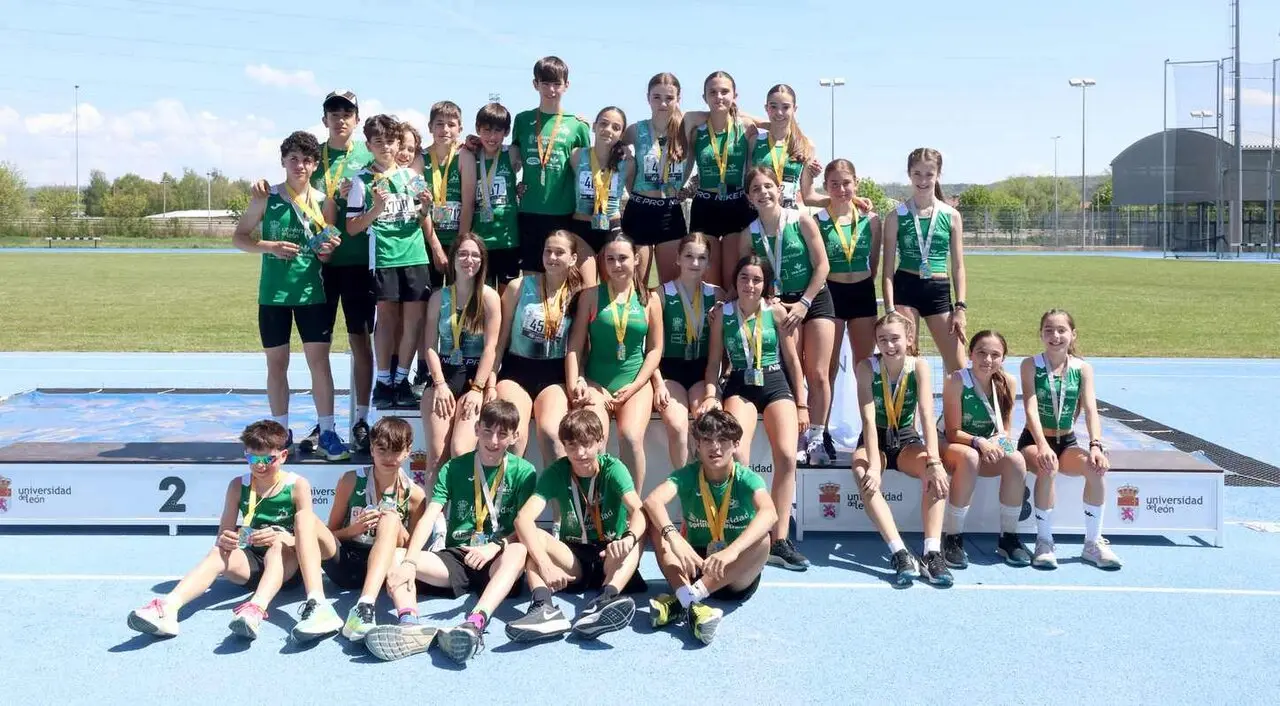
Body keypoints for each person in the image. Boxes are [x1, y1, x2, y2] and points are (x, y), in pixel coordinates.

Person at [126, 421, 342, 641]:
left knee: (278, 546)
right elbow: (223, 532)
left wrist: (286, 537)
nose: (260, 466)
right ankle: (167, 607)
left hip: (287, 565)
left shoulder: (297, 485)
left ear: (284, 455)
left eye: (268, 459)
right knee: (219, 551)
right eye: (252, 459)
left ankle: (256, 609)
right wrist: (229, 538)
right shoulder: (238, 485)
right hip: (251, 564)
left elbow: (307, 537)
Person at [361, 400, 534, 663]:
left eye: (502, 434)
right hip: (458, 556)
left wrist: (496, 545)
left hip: (497, 560)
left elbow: (525, 526)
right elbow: (430, 516)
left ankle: (475, 623)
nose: (493, 441)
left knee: (519, 549)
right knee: (396, 556)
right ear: (476, 429)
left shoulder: (525, 472)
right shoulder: (454, 468)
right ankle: (410, 624)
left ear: (515, 436)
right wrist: (409, 561)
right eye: (487, 431)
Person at [232, 130, 347, 460]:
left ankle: (327, 432)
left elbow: (324, 253)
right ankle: (279, 435)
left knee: (319, 364)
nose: (299, 165)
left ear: (314, 166)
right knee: (277, 364)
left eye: (307, 160)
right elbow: (239, 237)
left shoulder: (323, 200)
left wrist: (328, 250)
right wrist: (269, 247)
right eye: (293, 159)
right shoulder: (266, 197)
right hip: (274, 295)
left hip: (311, 294)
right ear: (283, 161)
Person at [697, 255, 810, 571]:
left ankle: (780, 540)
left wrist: (802, 403)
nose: (750, 285)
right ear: (735, 281)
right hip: (740, 385)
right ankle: (742, 532)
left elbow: (794, 362)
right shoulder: (722, 314)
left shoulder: (775, 312)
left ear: (766, 284)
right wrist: (710, 394)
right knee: (740, 457)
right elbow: (714, 365)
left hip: (775, 381)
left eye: (757, 280)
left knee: (787, 456)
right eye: (744, 278)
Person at [505, 410, 647, 642]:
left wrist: (628, 538)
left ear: (600, 442)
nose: (580, 453)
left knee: (642, 530)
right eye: (571, 446)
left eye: (587, 445)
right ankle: (543, 607)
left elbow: (638, 510)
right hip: (574, 556)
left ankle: (606, 599)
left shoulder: (614, 469)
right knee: (532, 538)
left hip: (610, 554)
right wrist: (544, 564)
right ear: (564, 445)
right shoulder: (557, 472)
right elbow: (523, 519)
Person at [642, 409, 775, 645]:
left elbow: (770, 512)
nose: (715, 447)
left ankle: (685, 599)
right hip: (697, 562)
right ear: (698, 445)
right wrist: (674, 539)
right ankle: (692, 604)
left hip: (734, 572)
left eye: (723, 440)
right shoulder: (687, 475)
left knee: (763, 540)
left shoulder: (746, 478)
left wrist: (732, 551)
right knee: (653, 521)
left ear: (735, 445)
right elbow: (653, 500)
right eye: (707, 440)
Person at [738, 166, 834, 465]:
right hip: (778, 305)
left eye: (769, 186)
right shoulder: (748, 234)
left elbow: (822, 265)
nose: (763, 193)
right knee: (795, 373)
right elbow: (748, 277)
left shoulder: (801, 219)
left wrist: (805, 302)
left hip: (813, 299)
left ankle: (818, 437)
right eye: (756, 189)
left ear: (779, 189)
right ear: (748, 197)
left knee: (817, 373)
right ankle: (795, 436)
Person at [852, 312, 952, 586]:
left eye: (895, 338)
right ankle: (899, 552)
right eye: (882, 340)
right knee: (862, 472)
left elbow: (927, 415)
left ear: (908, 339)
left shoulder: (918, 366)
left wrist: (934, 461)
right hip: (876, 438)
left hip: (907, 438)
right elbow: (869, 419)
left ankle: (932, 552)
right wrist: (874, 465)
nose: (889, 345)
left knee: (935, 476)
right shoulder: (866, 367)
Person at [1018, 309, 1121, 570]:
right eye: (1049, 330)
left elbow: (1090, 410)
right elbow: (1030, 408)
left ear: (1072, 334)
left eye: (1061, 330)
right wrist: (1042, 445)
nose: (1055, 336)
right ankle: (1044, 541)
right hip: (1034, 440)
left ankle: (1092, 543)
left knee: (1096, 470)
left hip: (1068, 442)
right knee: (1047, 467)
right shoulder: (1030, 365)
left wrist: (1095, 445)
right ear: (1041, 334)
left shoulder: (1083, 368)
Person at [346, 114, 434, 410]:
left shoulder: (413, 177)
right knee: (385, 319)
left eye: (390, 141)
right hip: (384, 257)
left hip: (415, 255)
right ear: (369, 145)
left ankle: (401, 378)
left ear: (398, 143)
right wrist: (377, 209)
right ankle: (383, 381)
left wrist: (427, 208)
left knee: (414, 321)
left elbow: (423, 220)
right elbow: (353, 227)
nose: (385, 147)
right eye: (378, 142)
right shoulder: (362, 180)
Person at [314, 416, 428, 641]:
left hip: (386, 571)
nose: (388, 457)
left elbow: (413, 551)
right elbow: (331, 534)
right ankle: (316, 603)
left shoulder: (415, 495)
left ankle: (365, 606)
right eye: (382, 449)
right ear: (372, 449)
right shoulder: (349, 480)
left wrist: (395, 527)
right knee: (308, 521)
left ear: (408, 451)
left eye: (396, 451)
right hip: (350, 564)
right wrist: (354, 529)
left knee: (391, 519)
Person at [566, 233, 664, 491]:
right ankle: (596, 509)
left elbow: (655, 349)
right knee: (593, 440)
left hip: (635, 385)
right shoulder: (590, 296)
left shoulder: (650, 299)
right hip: (597, 383)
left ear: (636, 259)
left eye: (623, 258)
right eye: (610, 259)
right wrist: (576, 380)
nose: (617, 265)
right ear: (602, 262)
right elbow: (575, 346)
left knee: (630, 438)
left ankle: (634, 510)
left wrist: (635, 386)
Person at [311, 91, 376, 453]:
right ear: (325, 120)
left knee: (360, 342)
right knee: (318, 348)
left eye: (347, 113)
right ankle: (325, 425)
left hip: (357, 263)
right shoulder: (312, 158)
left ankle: (362, 420)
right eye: (333, 113)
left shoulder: (368, 155)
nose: (340, 119)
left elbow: (411, 157)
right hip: (319, 264)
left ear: (357, 118)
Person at [941, 330, 1030, 569]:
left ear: (1003, 359)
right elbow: (952, 432)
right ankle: (952, 537)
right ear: (971, 354)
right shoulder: (956, 380)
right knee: (970, 457)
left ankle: (1008, 537)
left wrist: (1002, 445)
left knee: (1017, 460)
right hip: (954, 444)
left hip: (988, 442)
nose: (987, 360)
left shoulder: (1007, 382)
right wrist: (980, 442)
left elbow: (1005, 430)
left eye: (995, 355)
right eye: (981, 353)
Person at [494, 230, 583, 463]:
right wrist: (489, 380)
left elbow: (580, 345)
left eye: (559, 252)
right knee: (514, 437)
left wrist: (580, 378)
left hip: (554, 375)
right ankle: (510, 498)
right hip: (516, 372)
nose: (552, 257)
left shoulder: (579, 294)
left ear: (573, 258)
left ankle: (561, 498)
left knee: (552, 436)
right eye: (548, 251)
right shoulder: (518, 287)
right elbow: (500, 339)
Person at [882, 147, 968, 375]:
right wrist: (890, 308)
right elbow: (888, 270)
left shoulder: (951, 215)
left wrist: (960, 307)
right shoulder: (895, 216)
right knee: (907, 362)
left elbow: (958, 266)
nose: (923, 180)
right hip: (906, 288)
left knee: (958, 366)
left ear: (938, 175)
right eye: (917, 173)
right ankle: (912, 411)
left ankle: (950, 412)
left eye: (929, 174)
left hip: (938, 291)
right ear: (909, 174)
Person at [420, 234, 502, 467]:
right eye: (463, 254)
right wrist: (439, 384)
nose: (469, 260)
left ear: (482, 261)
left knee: (460, 451)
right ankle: (435, 505)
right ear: (453, 258)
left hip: (474, 378)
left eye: (475, 255)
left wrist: (478, 388)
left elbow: (490, 348)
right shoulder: (439, 298)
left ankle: (466, 503)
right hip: (443, 376)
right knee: (436, 457)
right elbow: (429, 346)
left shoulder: (489, 297)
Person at [510, 56, 592, 276]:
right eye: (545, 83)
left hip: (563, 212)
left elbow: (587, 170)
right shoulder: (522, 120)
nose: (551, 89)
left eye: (557, 83)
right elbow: (510, 158)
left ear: (567, 85)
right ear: (535, 84)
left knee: (560, 275)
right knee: (530, 276)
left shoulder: (578, 125)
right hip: (529, 209)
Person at [653, 232, 722, 470]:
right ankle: (685, 486)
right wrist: (658, 383)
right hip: (670, 370)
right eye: (689, 256)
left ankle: (707, 482)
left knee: (707, 420)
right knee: (678, 425)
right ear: (678, 259)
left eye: (702, 258)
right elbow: (651, 348)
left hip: (701, 370)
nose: (695, 263)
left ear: (709, 263)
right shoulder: (660, 294)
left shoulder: (717, 295)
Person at [682, 71, 757, 287]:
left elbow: (774, 126)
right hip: (706, 205)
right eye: (712, 92)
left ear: (735, 95)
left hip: (737, 204)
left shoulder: (746, 126)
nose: (719, 97)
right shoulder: (696, 127)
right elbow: (686, 166)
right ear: (704, 97)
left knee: (734, 276)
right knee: (708, 280)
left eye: (725, 92)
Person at [621, 72, 690, 285]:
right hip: (639, 210)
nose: (663, 103)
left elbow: (721, 112)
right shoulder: (635, 130)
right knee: (636, 285)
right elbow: (608, 148)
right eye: (657, 97)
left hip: (670, 212)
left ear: (678, 98)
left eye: (669, 98)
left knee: (671, 286)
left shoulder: (687, 129)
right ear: (648, 98)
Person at [568, 106, 633, 286]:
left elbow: (636, 194)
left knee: (612, 287)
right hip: (581, 226)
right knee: (587, 287)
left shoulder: (628, 164)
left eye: (615, 127)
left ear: (621, 134)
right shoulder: (576, 156)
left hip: (611, 226)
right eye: (603, 124)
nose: (608, 130)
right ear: (594, 126)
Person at [419, 101, 476, 291]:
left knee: (456, 295)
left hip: (457, 239)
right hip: (428, 239)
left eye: (451, 125)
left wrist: (459, 247)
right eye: (439, 124)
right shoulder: (420, 159)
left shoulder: (464, 156)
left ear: (459, 128)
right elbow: (419, 207)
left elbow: (468, 204)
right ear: (430, 127)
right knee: (429, 297)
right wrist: (435, 248)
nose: (445, 129)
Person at [469, 102, 523, 290]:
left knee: (506, 294)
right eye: (486, 130)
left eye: (498, 131)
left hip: (508, 238)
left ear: (506, 132)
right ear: (477, 129)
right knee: (481, 293)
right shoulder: (470, 155)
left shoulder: (512, 152)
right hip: (480, 239)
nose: (492, 137)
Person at [748, 84, 820, 209]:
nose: (779, 112)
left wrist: (850, 199)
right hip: (758, 216)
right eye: (773, 107)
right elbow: (747, 182)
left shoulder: (806, 145)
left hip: (789, 217)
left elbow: (808, 196)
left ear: (794, 109)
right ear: (766, 108)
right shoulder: (754, 141)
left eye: (785, 107)